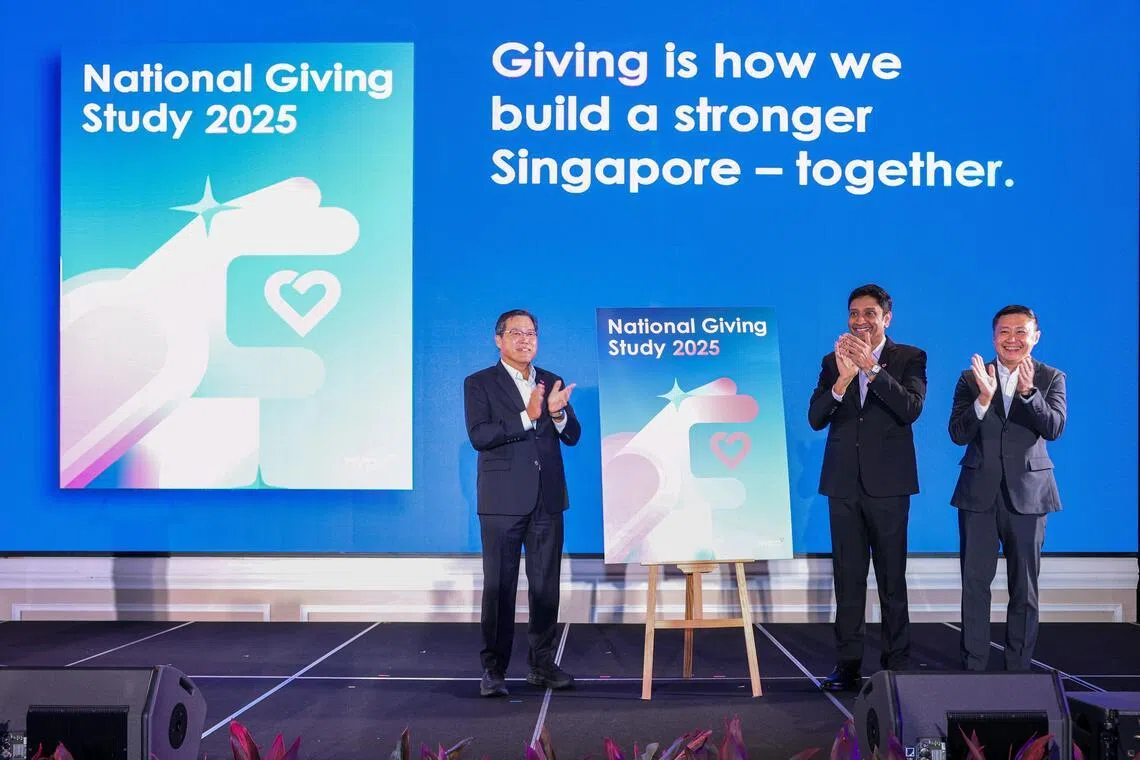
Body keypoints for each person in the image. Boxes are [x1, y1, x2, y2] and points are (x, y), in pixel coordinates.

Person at [808, 284, 927, 691]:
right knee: (848, 579)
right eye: (854, 313)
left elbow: (910, 408)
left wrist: (871, 369)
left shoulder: (909, 357)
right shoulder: (832, 362)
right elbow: (816, 418)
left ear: (886, 318)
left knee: (892, 579)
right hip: (843, 485)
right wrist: (842, 380)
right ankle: (847, 664)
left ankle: (896, 664)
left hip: (889, 486)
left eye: (869, 313)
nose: (860, 321)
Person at [463, 309, 581, 697]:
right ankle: (494, 670)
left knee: (546, 587)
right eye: (516, 333)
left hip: (547, 499)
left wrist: (557, 413)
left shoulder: (550, 380)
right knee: (500, 587)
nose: (525, 339)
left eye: (531, 333)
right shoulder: (479, 383)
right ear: (498, 340)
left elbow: (573, 436)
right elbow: (480, 436)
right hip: (502, 501)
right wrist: (527, 416)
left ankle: (541, 664)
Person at [949, 305, 1066, 672]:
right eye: (1004, 331)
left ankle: (1019, 669)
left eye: (1020, 332)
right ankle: (974, 666)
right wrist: (983, 401)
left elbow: (1054, 428)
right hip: (978, 494)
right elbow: (957, 434)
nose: (1011, 339)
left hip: (1029, 494)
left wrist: (1029, 393)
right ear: (993, 336)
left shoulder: (1051, 377)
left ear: (1035, 337)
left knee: (1024, 587)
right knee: (974, 584)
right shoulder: (971, 378)